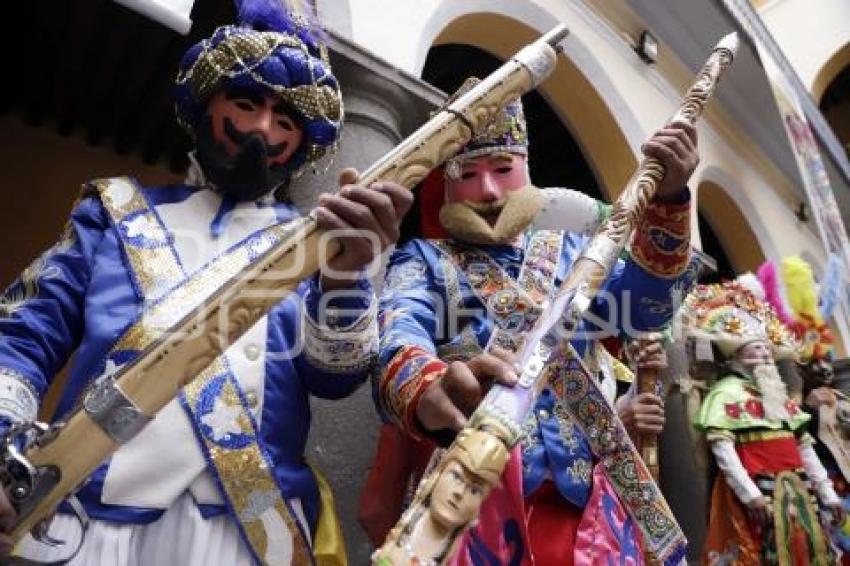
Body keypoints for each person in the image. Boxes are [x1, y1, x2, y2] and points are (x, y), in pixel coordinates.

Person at [0, 1, 412, 564]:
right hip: (87, 519)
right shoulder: (113, 212)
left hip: (243, 533)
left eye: (286, 119)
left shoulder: (316, 242)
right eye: (245, 104)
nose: (263, 129)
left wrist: (348, 274)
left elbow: (334, 376)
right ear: (206, 103)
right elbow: (24, 334)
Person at [369, 80, 698, 564]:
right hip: (475, 493)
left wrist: (669, 200)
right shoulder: (423, 260)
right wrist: (429, 385)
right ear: (446, 181)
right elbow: (398, 334)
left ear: (526, 169)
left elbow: (648, 306)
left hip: (586, 507)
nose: (487, 189)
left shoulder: (576, 250)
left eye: (503, 169)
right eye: (468, 173)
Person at [688, 281, 844, 564]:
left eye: (766, 349)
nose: (764, 355)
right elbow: (724, 450)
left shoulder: (778, 396)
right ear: (736, 354)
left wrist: (828, 494)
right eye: (755, 348)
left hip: (798, 492)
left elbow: (804, 449)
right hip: (757, 493)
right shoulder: (726, 393)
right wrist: (749, 494)